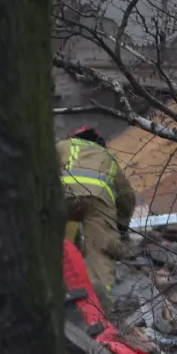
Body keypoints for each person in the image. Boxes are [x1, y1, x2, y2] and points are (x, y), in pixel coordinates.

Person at [58, 126, 136, 313]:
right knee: (100, 254)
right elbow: (127, 196)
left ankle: (61, 293)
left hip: (62, 196)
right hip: (99, 202)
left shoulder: (62, 145)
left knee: (60, 246)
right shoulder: (107, 157)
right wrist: (121, 227)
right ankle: (100, 313)